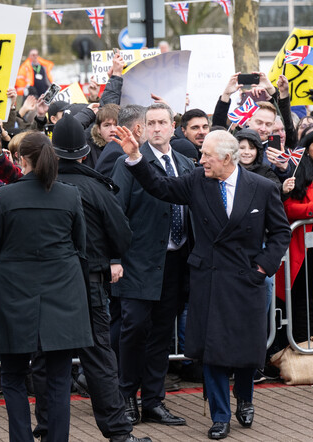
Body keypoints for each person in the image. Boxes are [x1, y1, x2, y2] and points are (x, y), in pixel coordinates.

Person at [115, 127, 290, 440]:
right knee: (213, 350)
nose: (200, 160)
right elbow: (160, 186)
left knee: (246, 348)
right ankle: (220, 415)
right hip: (208, 279)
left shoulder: (262, 187)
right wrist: (135, 157)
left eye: (207, 156)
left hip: (247, 280)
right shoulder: (198, 180)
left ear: (226, 158)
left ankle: (246, 398)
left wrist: (262, 268)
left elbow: (280, 233)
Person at [31, 113, 150, 442]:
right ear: (85, 154)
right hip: (89, 282)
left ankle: (47, 429)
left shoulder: (37, 188)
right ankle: (119, 434)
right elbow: (123, 235)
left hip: (49, 284)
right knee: (98, 358)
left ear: (53, 153)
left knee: (46, 359)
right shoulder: (97, 189)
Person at [0, 132, 93, 442]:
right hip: (62, 292)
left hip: (15, 295)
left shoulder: (6, 197)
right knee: (59, 379)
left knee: (14, 376)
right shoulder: (69, 195)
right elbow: (80, 247)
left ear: (21, 159)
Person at [111, 103, 193, 428]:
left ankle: (154, 402)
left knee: (161, 334)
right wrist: (115, 259)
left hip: (176, 262)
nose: (157, 128)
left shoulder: (187, 164)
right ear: (142, 128)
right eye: (151, 123)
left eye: (163, 122)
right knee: (133, 330)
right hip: (137, 263)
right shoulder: (128, 163)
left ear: (174, 126)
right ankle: (126, 397)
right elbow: (115, 212)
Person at [276, 129, 313, 342]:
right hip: (305, 250)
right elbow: (288, 209)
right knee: (306, 300)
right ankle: (303, 349)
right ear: (307, 149)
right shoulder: (298, 172)